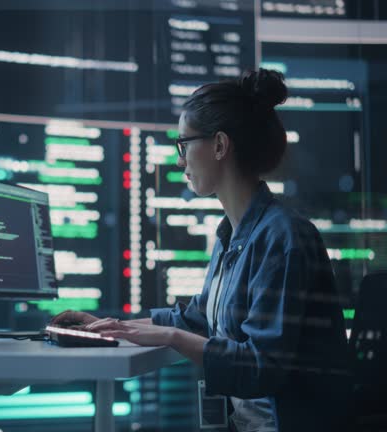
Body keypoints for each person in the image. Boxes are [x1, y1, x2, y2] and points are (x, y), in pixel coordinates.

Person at [51, 69, 351, 432]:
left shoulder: (283, 238)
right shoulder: (233, 235)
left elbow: (261, 369)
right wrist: (108, 326)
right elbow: (198, 318)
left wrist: (170, 337)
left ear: (220, 145)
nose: (180, 161)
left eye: (184, 144)